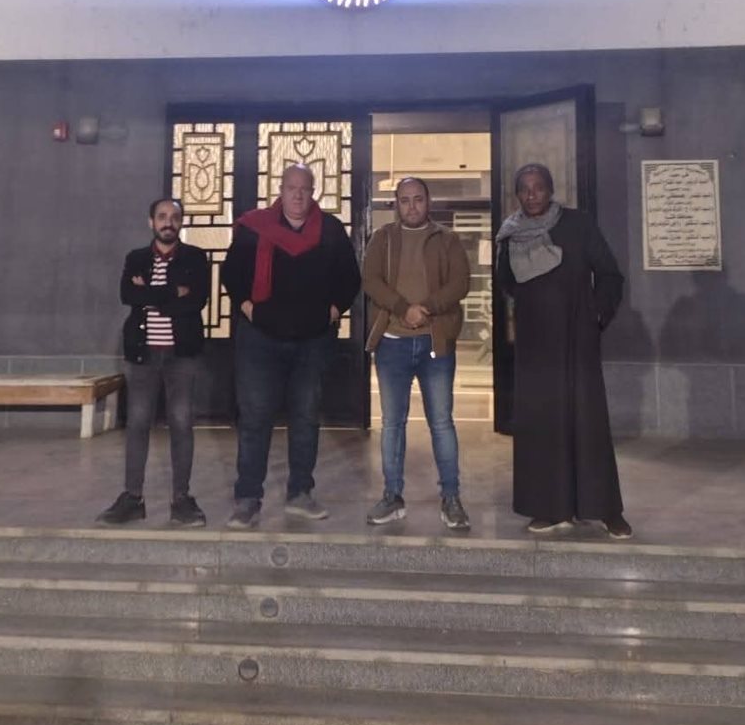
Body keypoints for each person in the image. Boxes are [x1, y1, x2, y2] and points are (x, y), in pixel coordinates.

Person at [221, 163, 361, 528]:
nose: (298, 195)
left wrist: (333, 310)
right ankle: (248, 498)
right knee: (255, 418)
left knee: (305, 416)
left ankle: (300, 493)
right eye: (291, 187)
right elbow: (231, 273)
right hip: (260, 339)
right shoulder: (255, 227)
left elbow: (350, 277)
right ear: (280, 190)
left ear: (313, 192)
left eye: (304, 188)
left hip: (312, 341)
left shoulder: (330, 229)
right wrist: (248, 307)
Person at [496, 164, 632, 538]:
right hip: (535, 347)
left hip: (577, 341)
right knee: (542, 426)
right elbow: (507, 283)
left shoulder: (577, 224)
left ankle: (605, 509)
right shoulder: (510, 234)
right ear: (517, 195)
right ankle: (549, 507)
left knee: (588, 423)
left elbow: (610, 274)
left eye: (538, 187)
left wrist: (595, 316)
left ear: (550, 190)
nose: (531, 195)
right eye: (524, 189)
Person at [362, 176, 472, 531]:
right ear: (396, 203)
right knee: (392, 424)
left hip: (434, 343)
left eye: (418, 199)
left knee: (441, 422)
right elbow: (370, 280)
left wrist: (426, 308)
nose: (412, 206)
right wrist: (402, 308)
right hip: (392, 343)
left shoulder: (447, 239)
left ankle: (451, 498)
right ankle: (392, 496)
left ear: (429, 201)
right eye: (405, 200)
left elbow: (460, 283)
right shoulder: (382, 239)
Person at [97, 197, 210, 528]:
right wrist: (174, 293)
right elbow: (127, 295)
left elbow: (197, 300)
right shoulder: (136, 258)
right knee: (137, 423)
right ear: (151, 222)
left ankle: (182, 500)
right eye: (162, 216)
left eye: (174, 217)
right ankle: (133, 498)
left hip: (181, 354)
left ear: (181, 222)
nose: (168, 222)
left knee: (181, 423)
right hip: (142, 355)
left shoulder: (195, 258)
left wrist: (150, 294)